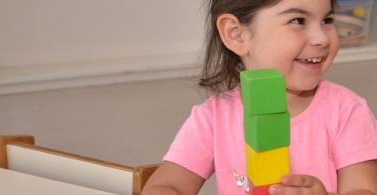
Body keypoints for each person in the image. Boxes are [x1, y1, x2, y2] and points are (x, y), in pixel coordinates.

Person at [142, 0, 377, 194]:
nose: (322, 39)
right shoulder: (213, 118)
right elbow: (165, 185)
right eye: (298, 20)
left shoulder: (347, 111)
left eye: (327, 20)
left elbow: (363, 190)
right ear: (237, 35)